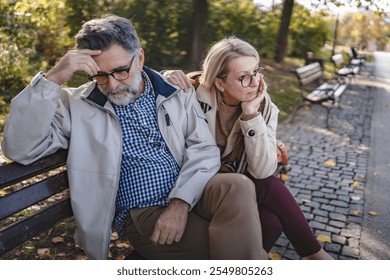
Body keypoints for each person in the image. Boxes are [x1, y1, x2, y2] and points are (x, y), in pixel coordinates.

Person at [1, 16, 268, 259]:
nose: (113, 85)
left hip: (191, 194)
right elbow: (19, 148)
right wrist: (54, 78)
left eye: (120, 71)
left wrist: (180, 203)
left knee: (238, 185)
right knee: (233, 251)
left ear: (139, 58)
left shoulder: (175, 92)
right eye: (100, 76)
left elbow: (204, 149)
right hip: (144, 213)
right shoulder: (76, 106)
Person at [164, 37, 333, 260]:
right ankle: (319, 258)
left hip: (238, 187)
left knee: (271, 221)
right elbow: (152, 89)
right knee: (271, 188)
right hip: (195, 184)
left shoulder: (264, 107)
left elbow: (262, 171)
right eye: (243, 77)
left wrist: (251, 116)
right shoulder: (192, 93)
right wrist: (167, 75)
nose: (254, 83)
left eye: (256, 71)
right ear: (220, 82)